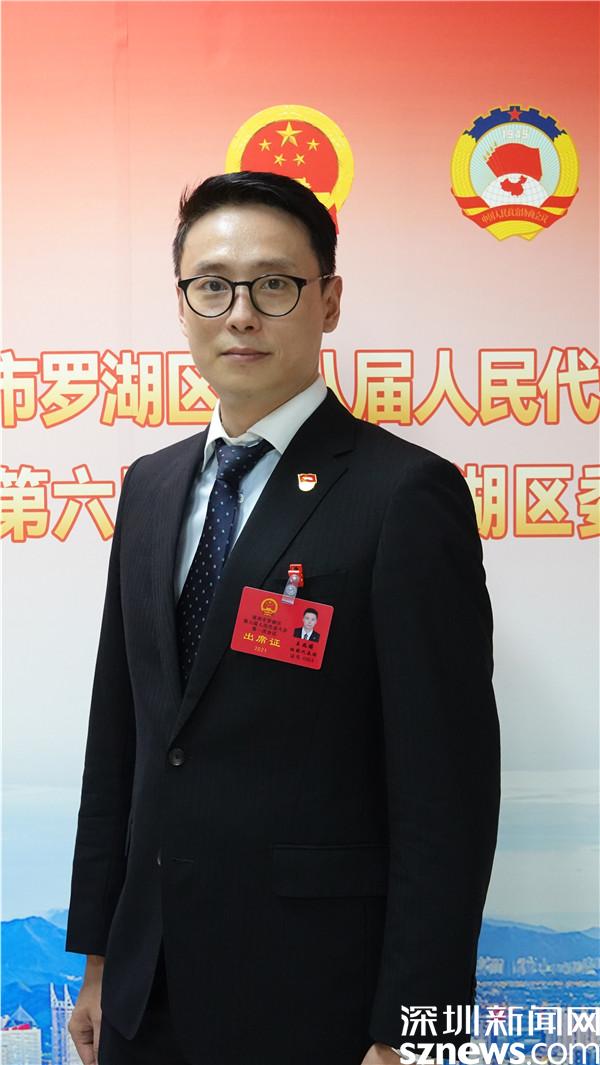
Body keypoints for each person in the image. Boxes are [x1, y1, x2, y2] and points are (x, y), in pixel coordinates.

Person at [65, 170, 501, 1065]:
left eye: (274, 284)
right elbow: (122, 742)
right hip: (147, 989)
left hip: (317, 999)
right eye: (212, 286)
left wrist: (413, 1030)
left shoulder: (403, 495)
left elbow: (447, 791)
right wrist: (100, 957)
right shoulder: (149, 487)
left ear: (328, 301)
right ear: (182, 304)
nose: (241, 314)